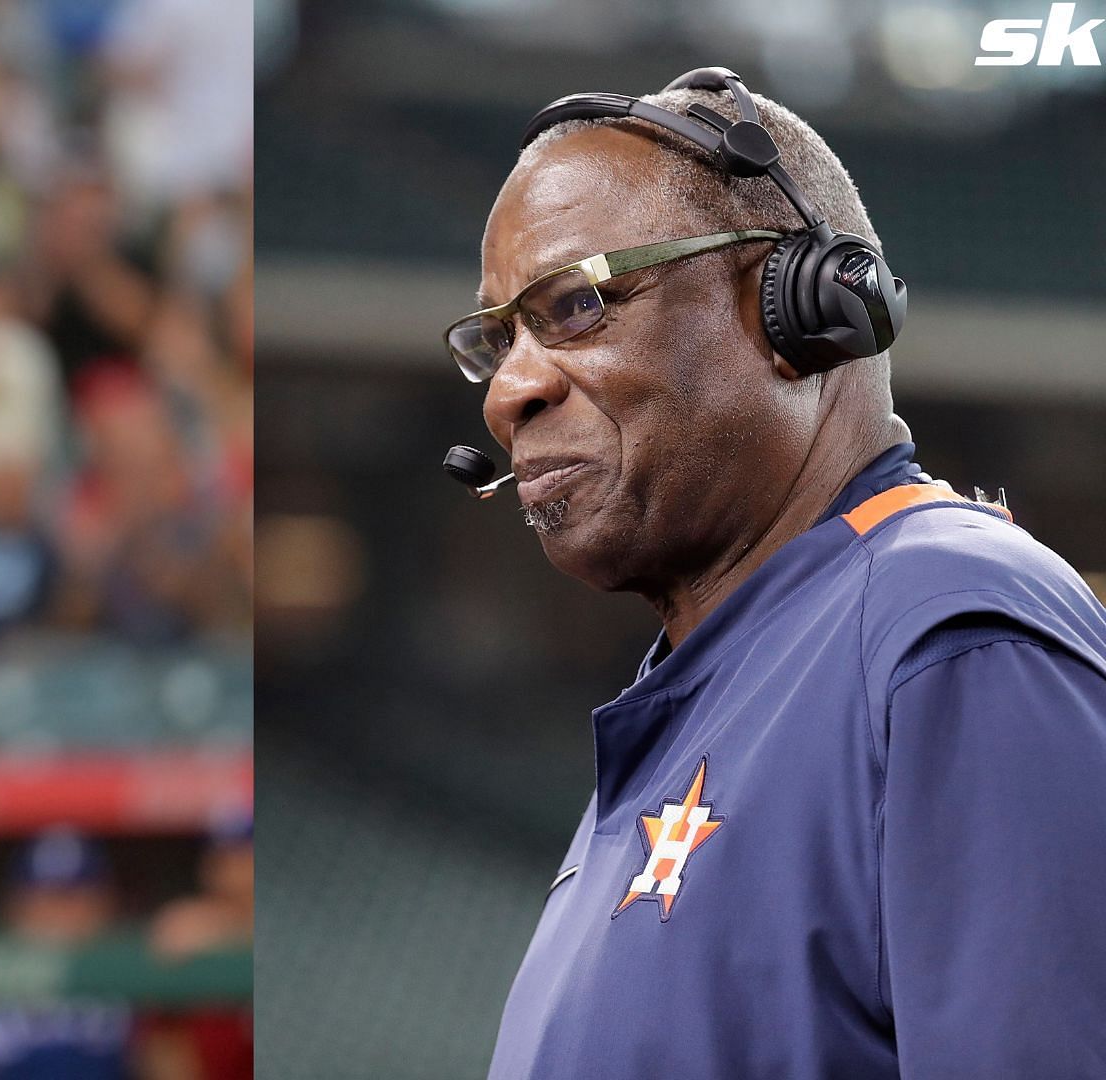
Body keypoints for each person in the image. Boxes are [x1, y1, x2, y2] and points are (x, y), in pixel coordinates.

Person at [455, 70, 1106, 1078]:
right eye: (498, 340)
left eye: (577, 304)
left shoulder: (949, 629)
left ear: (795, 310)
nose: (513, 390)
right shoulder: (715, 674)